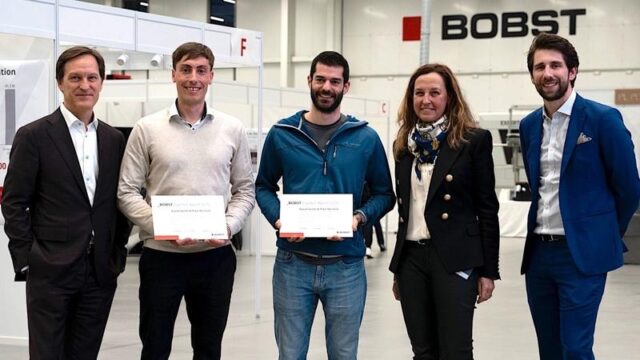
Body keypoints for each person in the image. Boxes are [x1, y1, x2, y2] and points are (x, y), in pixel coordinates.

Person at [117, 42, 255, 360]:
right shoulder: (146, 129)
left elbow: (244, 190)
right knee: (155, 347)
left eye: (201, 70)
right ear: (173, 75)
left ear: (211, 76)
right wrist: (161, 226)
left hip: (215, 258)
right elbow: (126, 191)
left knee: (208, 349)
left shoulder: (231, 129)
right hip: (161, 258)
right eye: (186, 69)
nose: (193, 77)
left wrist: (227, 226)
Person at [255, 51, 395, 360]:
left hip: (346, 266)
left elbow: (385, 194)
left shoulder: (366, 138)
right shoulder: (282, 134)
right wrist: (280, 220)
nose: (326, 87)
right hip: (293, 264)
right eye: (320, 79)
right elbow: (263, 186)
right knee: (290, 354)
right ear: (309, 81)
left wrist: (358, 218)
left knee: (344, 355)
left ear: (346, 86)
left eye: (334, 81)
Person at [2, 46, 130, 359]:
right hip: (49, 270)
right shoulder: (34, 136)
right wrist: (27, 259)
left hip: (99, 270)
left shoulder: (114, 139)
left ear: (101, 83)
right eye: (75, 77)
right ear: (60, 83)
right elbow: (14, 202)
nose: (84, 85)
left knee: (85, 353)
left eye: (92, 77)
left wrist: (116, 251)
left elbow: (119, 199)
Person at [519, 33, 640, 360]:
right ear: (532, 75)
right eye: (539, 66)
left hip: (580, 256)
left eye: (555, 65)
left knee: (575, 347)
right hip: (539, 254)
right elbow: (538, 183)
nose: (548, 73)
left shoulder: (602, 119)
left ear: (572, 71)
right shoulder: (529, 125)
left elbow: (629, 187)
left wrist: (602, 234)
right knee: (549, 348)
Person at [388, 63, 500, 359]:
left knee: (455, 350)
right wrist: (398, 270)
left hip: (455, 258)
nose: (426, 99)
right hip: (411, 259)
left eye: (435, 92)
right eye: (419, 93)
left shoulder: (472, 141)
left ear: (449, 97)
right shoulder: (403, 146)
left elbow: (488, 209)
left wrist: (489, 271)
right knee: (422, 351)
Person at [362, 183, 386, 258]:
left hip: (368, 205)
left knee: (372, 226)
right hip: (370, 205)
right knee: (374, 225)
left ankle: (371, 246)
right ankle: (379, 244)